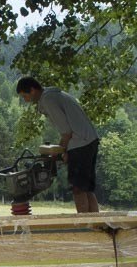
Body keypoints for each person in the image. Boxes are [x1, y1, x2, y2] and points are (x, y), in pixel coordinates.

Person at [16, 76, 101, 213]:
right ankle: (96, 225)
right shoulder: (55, 95)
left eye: (24, 96)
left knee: (78, 189)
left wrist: (61, 151)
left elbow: (66, 132)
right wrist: (65, 151)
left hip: (80, 143)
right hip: (90, 140)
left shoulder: (48, 100)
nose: (26, 100)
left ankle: (85, 226)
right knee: (86, 188)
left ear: (32, 90)